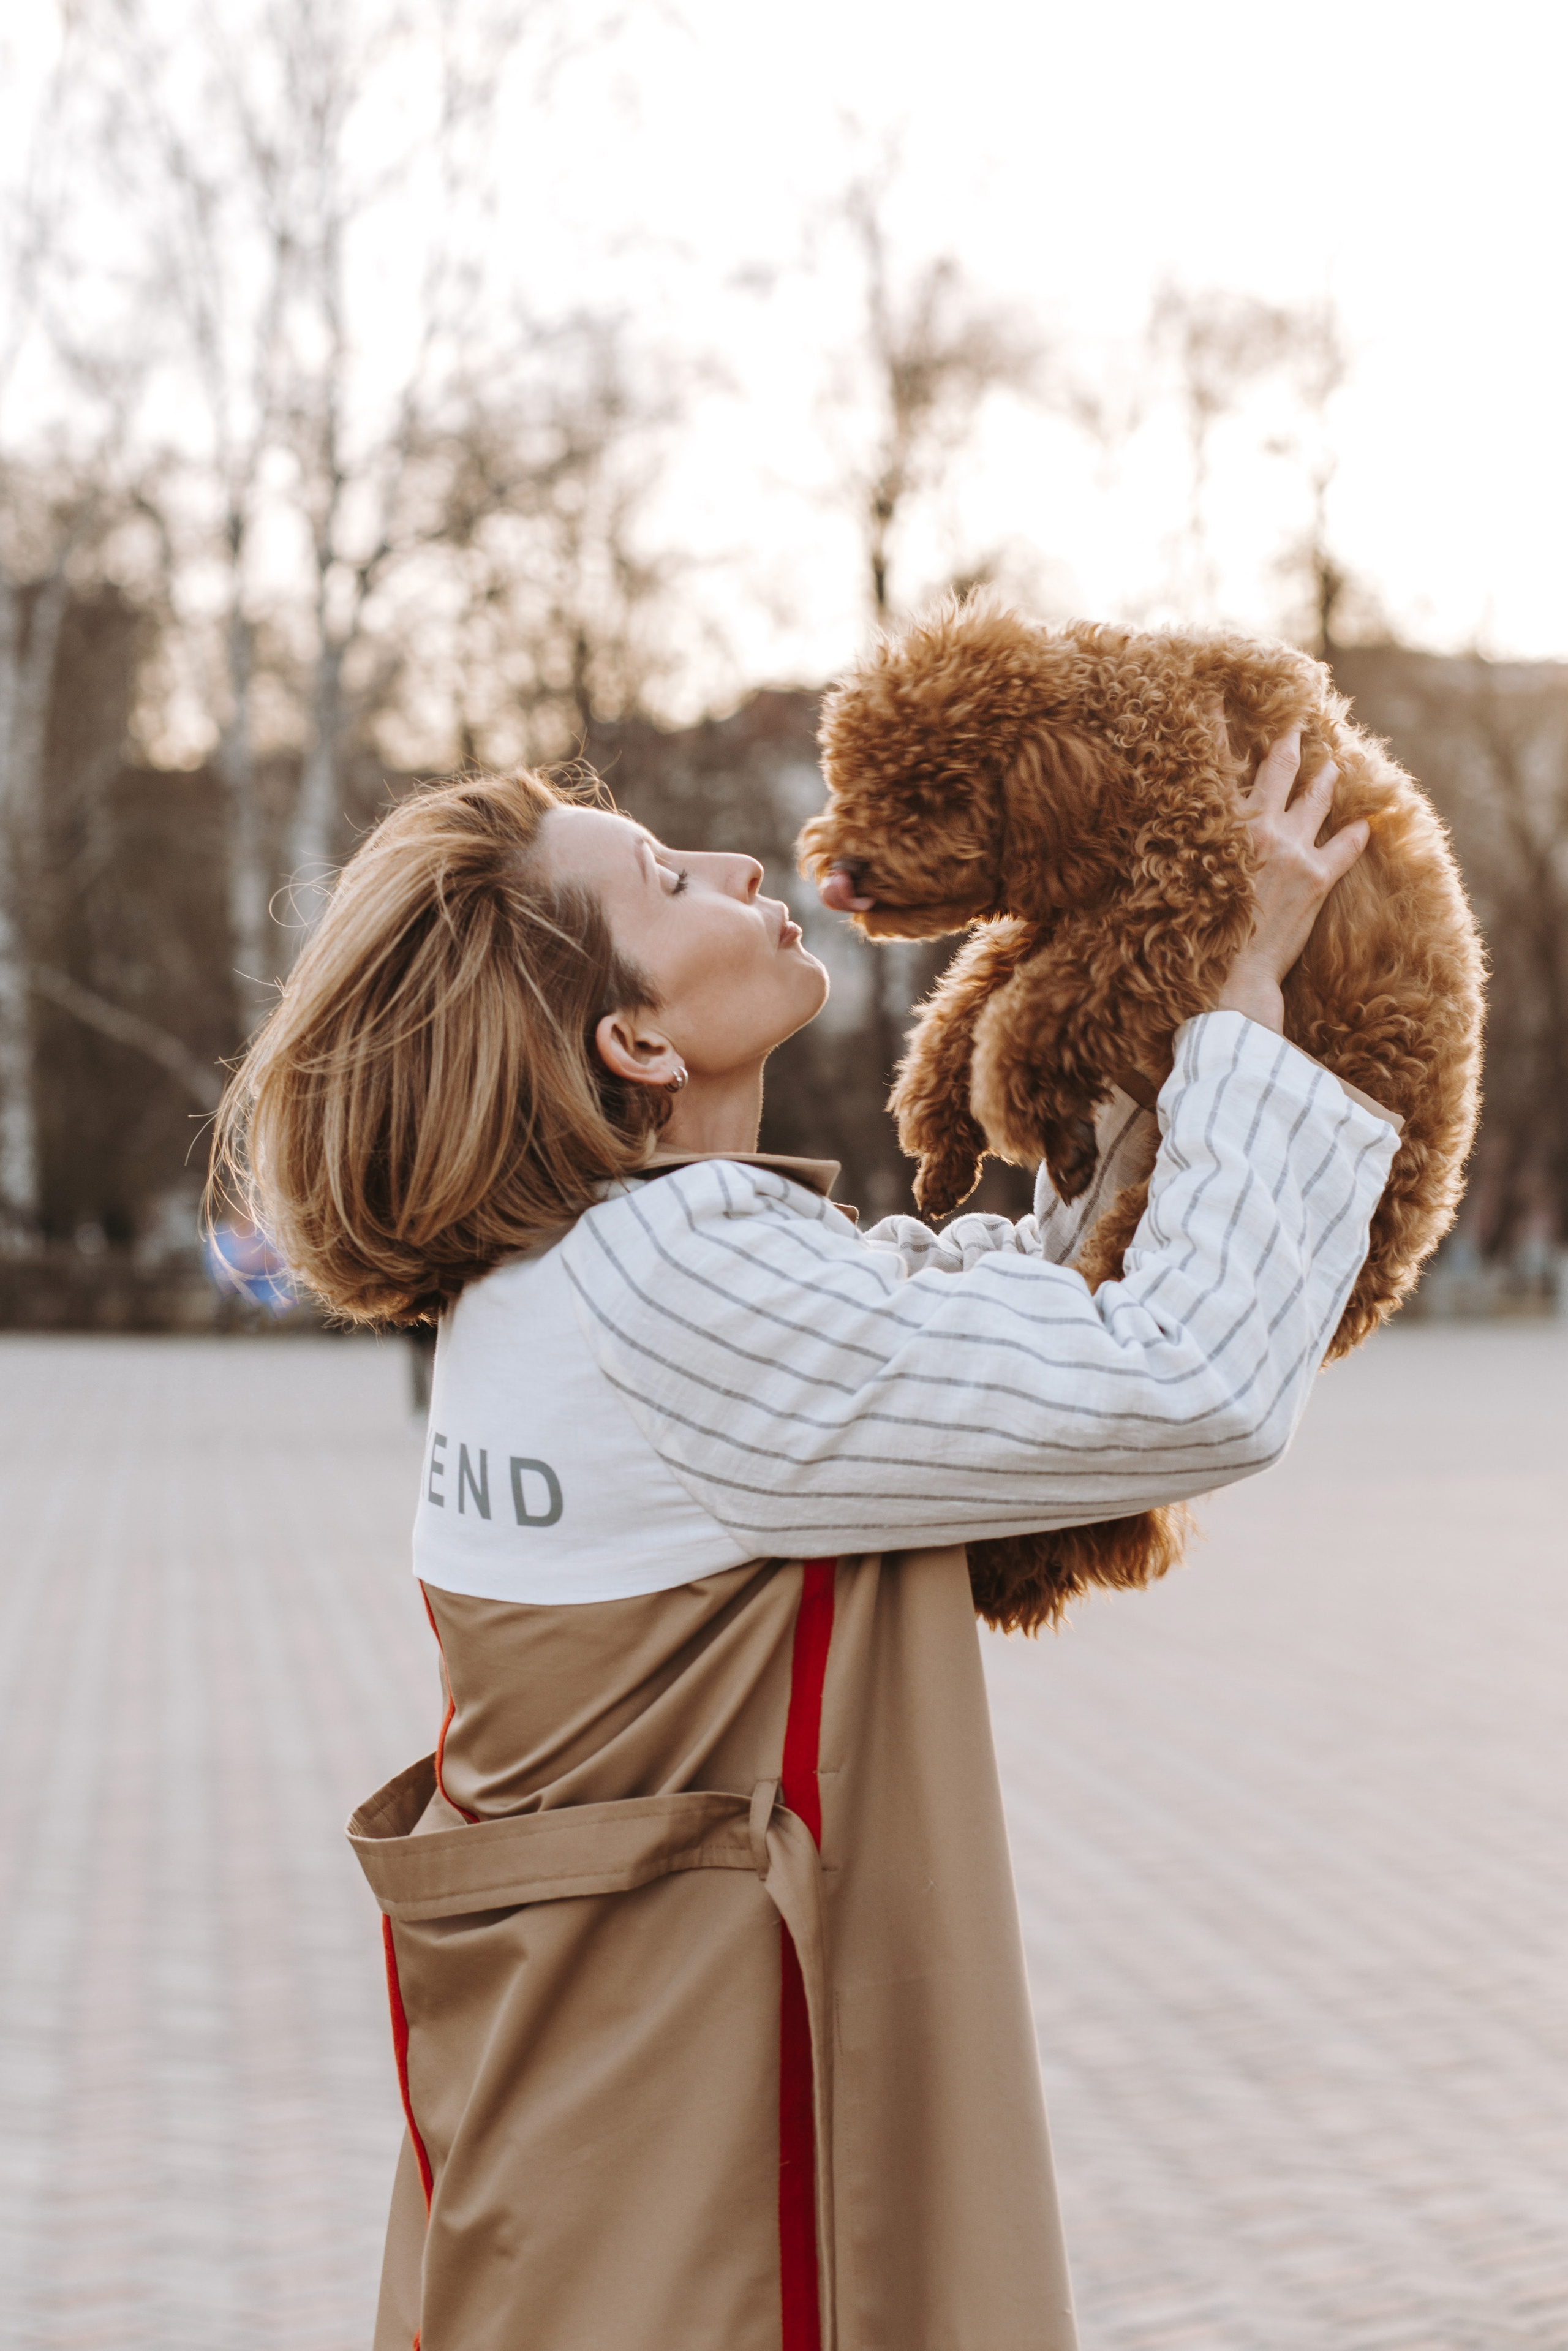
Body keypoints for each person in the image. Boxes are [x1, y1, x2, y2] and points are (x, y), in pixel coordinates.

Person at [213, 732, 1396, 2351]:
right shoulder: (672, 1293)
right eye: (667, 880)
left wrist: (1142, 1004)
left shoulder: (580, 1275)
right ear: (633, 1037)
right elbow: (1181, 1381)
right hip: (700, 2196)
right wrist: (1246, 998)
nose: (738, 868)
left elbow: (995, 1329)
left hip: (586, 2177)